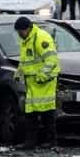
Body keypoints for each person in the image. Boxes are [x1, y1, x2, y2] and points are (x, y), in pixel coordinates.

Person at [14, 16, 60, 149]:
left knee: (47, 113)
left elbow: (51, 60)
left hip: (44, 82)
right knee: (31, 113)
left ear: (28, 28)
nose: (19, 34)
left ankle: (51, 141)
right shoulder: (26, 39)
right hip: (33, 83)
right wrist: (19, 73)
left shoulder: (40, 38)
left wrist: (42, 76)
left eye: (20, 32)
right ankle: (32, 142)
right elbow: (26, 60)